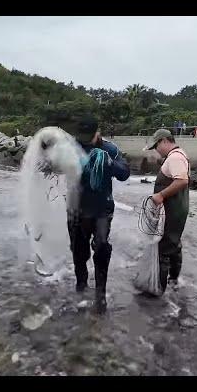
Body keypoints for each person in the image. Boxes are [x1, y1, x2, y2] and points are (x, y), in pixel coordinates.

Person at [67, 115, 130, 313]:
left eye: (89, 136)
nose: (85, 140)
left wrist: (110, 163)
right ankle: (81, 287)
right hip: (76, 208)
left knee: (102, 247)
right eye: (82, 136)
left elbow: (125, 173)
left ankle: (100, 295)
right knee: (78, 250)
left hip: (102, 209)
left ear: (97, 133)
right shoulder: (70, 147)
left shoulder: (110, 149)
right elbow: (52, 164)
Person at [143, 129, 190, 293]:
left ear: (164, 141)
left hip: (172, 210)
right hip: (179, 208)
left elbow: (182, 180)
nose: (156, 150)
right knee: (174, 244)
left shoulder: (175, 157)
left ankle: (157, 290)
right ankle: (174, 280)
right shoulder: (180, 154)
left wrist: (161, 195)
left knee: (162, 248)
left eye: (156, 146)